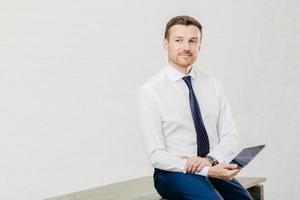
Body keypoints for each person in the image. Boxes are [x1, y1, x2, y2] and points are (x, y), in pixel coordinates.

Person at [138, 15, 253, 200]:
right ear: (165, 44)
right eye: (178, 40)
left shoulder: (212, 84)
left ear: (200, 45)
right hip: (174, 172)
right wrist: (204, 169)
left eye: (193, 41)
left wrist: (209, 161)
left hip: (212, 165)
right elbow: (156, 155)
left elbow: (229, 134)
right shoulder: (151, 91)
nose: (186, 47)